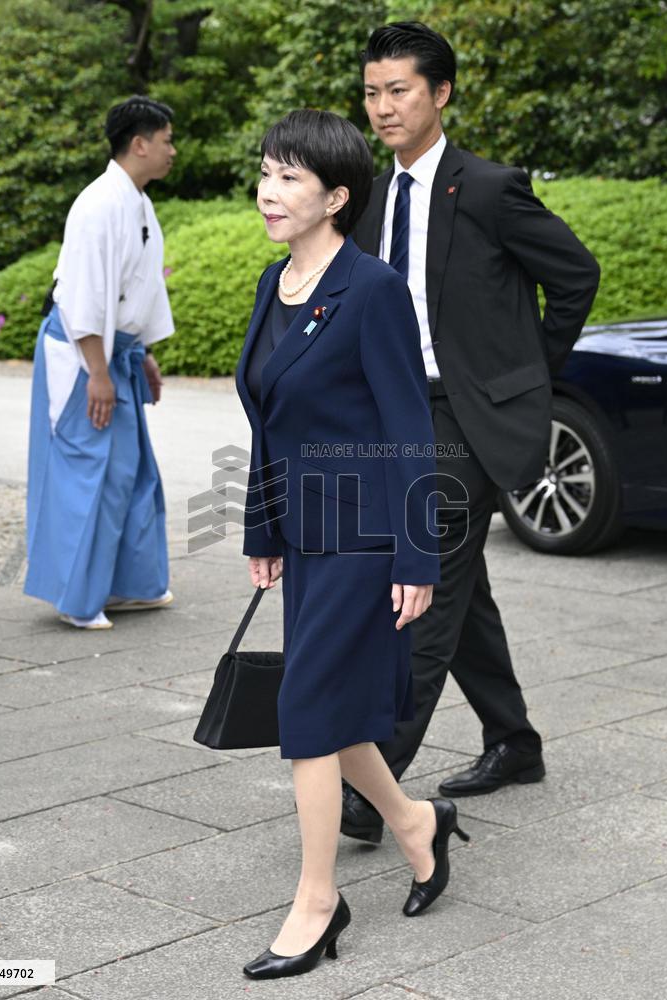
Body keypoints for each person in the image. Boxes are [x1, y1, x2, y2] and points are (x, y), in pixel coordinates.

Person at [342, 22, 601, 839]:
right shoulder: (370, 196)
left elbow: (574, 276)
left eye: (400, 91)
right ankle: (513, 741)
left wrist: (520, 381)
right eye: (373, 92)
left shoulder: (487, 189)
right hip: (394, 416)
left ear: (440, 93)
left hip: (461, 419)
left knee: (418, 596)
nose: (383, 107)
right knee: (462, 594)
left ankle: (372, 787)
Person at [236, 109, 468, 981]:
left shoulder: (369, 289)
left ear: (336, 197)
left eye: (291, 177)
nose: (269, 190)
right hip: (303, 532)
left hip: (368, 535)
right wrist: (263, 524)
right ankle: (416, 825)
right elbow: (267, 420)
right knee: (326, 707)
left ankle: (316, 901)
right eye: (266, 171)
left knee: (304, 717)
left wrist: (417, 556)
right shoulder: (273, 283)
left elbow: (411, 429)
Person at [24, 96, 177, 630]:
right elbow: (82, 296)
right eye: (166, 141)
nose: (172, 151)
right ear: (139, 144)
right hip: (84, 353)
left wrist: (146, 356)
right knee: (87, 470)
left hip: (119, 354)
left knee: (129, 472)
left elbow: (141, 293)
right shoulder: (97, 204)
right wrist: (98, 373)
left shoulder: (138, 202)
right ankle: (75, 596)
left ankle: (127, 585)